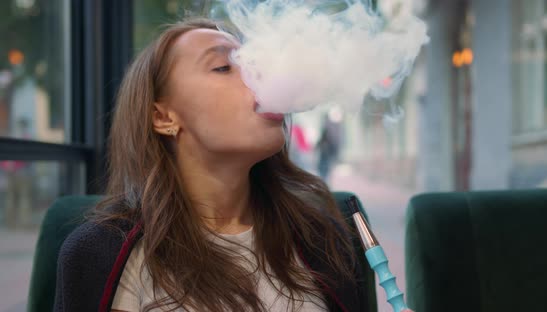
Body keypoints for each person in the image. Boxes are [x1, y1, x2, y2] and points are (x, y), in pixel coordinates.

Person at [54, 18, 411, 312]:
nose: (260, 79)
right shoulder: (104, 254)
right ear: (163, 117)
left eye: (254, 66)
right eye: (224, 67)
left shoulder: (322, 237)